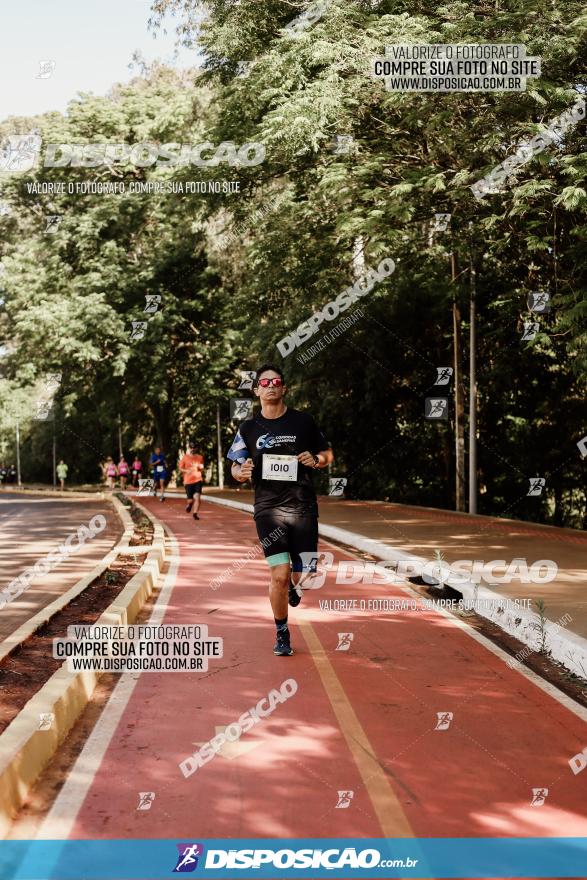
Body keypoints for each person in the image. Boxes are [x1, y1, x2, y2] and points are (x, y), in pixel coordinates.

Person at [227, 364, 333, 656]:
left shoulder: (303, 422)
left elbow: (327, 453)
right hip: (268, 508)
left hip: (303, 506)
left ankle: (294, 588)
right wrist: (241, 471)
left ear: (284, 388)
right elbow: (235, 466)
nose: (271, 385)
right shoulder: (247, 429)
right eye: (265, 382)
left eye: (276, 381)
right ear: (256, 390)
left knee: (305, 574)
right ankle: (282, 632)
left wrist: (317, 459)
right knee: (279, 574)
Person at [178, 442, 204, 519]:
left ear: (196, 448)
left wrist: (201, 467)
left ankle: (195, 514)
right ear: (189, 448)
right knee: (190, 500)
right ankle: (189, 505)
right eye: (191, 448)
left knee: (197, 497)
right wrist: (186, 471)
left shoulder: (200, 457)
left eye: (194, 448)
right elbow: (180, 468)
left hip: (198, 480)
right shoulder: (185, 457)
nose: (192, 449)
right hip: (188, 481)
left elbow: (202, 466)